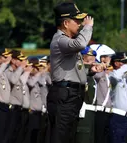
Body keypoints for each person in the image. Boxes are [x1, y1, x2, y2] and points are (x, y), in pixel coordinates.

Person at [47, 2, 102, 143]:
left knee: (69, 136)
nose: (80, 24)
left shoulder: (67, 42)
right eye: (76, 21)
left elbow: (72, 69)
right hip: (64, 95)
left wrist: (90, 70)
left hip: (72, 95)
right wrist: (88, 26)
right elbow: (81, 44)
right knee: (61, 136)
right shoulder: (60, 40)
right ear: (66, 23)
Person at [109, 52, 127, 143]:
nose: (126, 64)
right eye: (123, 62)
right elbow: (115, 75)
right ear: (116, 63)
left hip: (125, 116)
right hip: (117, 115)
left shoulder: (123, 77)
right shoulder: (112, 75)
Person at [4, 50, 27, 143]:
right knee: (9, 136)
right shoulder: (7, 71)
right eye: (19, 60)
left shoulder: (20, 72)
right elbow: (13, 80)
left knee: (19, 136)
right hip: (11, 109)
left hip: (20, 109)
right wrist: (21, 68)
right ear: (13, 60)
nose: (22, 62)